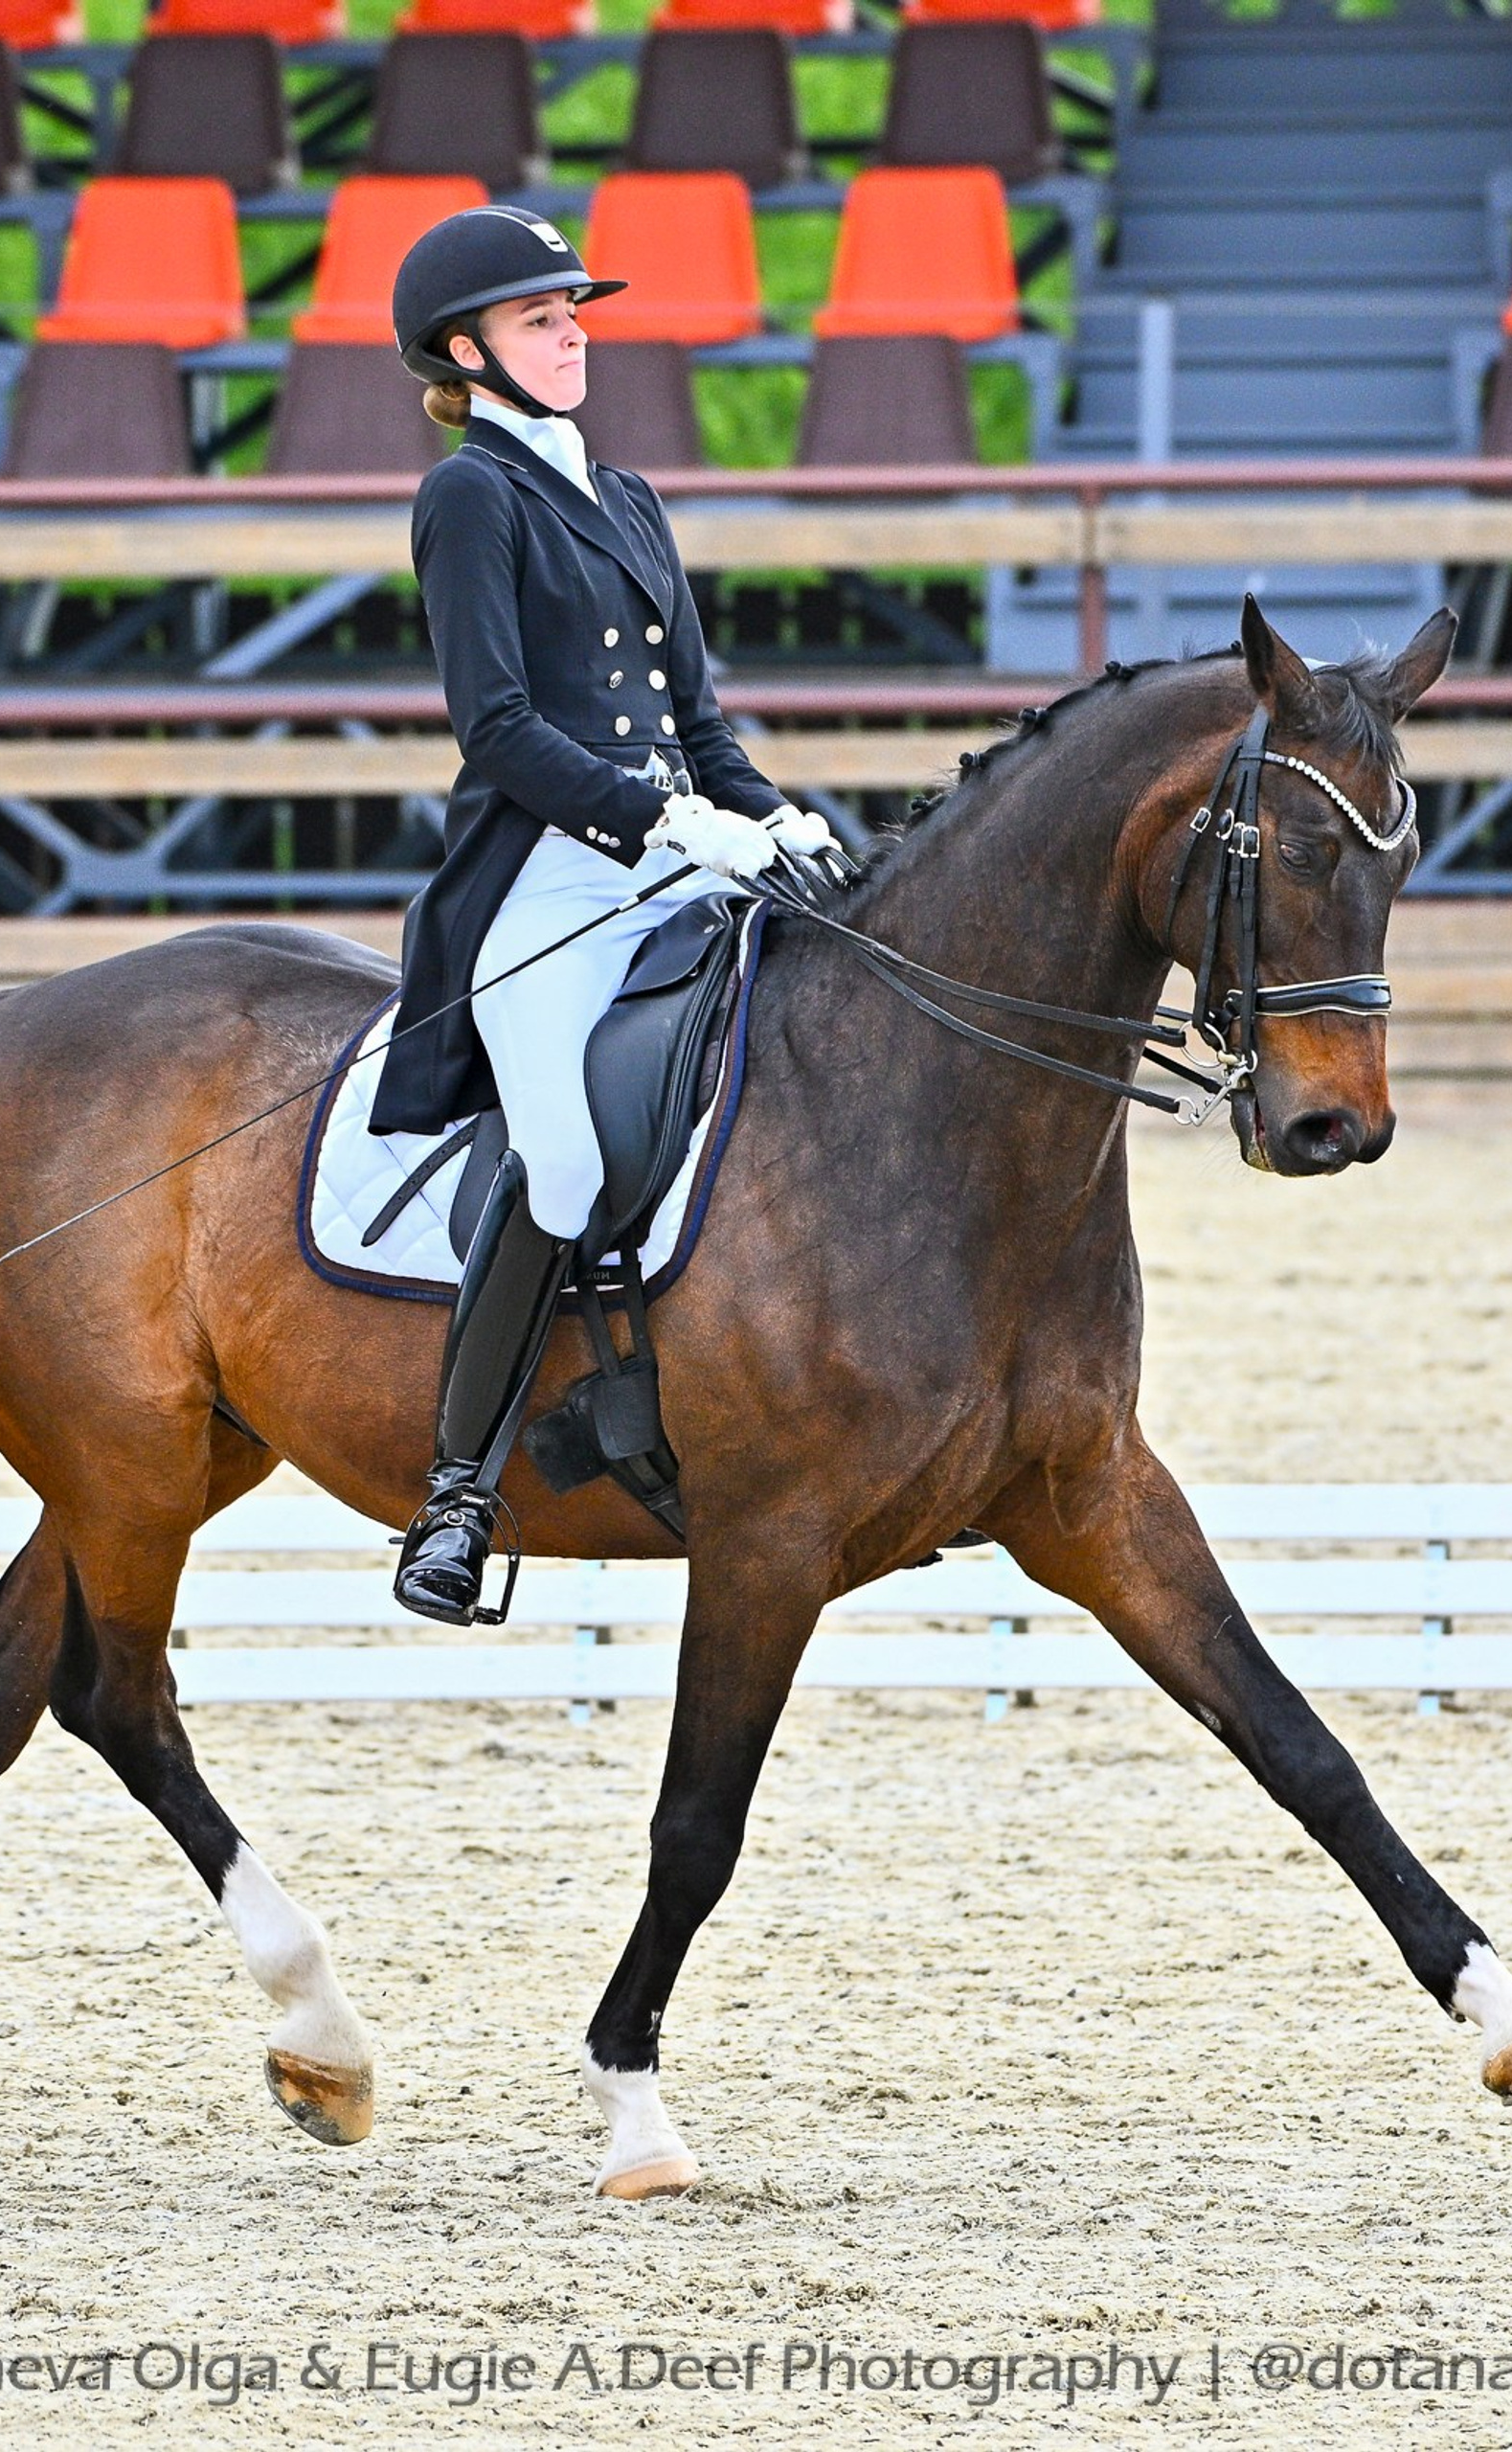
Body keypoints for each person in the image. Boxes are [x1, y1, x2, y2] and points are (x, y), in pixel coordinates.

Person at [374, 204, 848, 1626]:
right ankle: (458, 1493)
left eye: (573, 309)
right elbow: (500, 726)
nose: (573, 330)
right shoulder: (472, 496)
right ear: (469, 351)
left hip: (684, 846)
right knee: (567, 1163)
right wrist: (657, 822)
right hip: (551, 877)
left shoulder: (626, 494)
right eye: (538, 318)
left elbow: (695, 720)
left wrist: (773, 817)